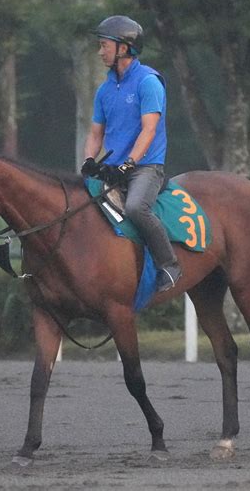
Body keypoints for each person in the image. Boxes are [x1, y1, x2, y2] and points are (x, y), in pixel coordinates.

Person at [81, 15, 182, 292]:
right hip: (112, 167)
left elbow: (149, 131)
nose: (100, 51)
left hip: (146, 168)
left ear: (123, 48)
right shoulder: (104, 90)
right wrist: (89, 160)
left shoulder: (148, 82)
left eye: (104, 45)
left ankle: (169, 265)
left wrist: (128, 165)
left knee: (137, 207)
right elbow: (95, 134)